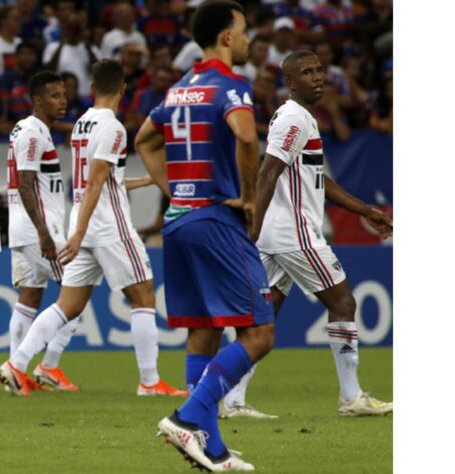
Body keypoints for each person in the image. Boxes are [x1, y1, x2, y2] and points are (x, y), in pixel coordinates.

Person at [136, 1, 274, 470]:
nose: (249, 38)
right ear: (225, 38)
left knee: (203, 332)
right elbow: (248, 136)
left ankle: (211, 447)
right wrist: (250, 197)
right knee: (259, 334)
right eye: (244, 30)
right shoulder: (230, 86)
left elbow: (143, 141)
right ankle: (188, 417)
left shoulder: (178, 89)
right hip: (217, 219)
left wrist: (173, 190)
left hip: (180, 220)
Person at [220, 51, 393, 420]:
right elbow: (268, 173)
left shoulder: (300, 119)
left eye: (319, 70)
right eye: (307, 72)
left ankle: (232, 400)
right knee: (343, 303)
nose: (318, 77)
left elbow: (318, 178)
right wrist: (251, 227)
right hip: (294, 231)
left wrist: (365, 210)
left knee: (264, 318)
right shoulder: (294, 119)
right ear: (290, 82)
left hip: (276, 232)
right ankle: (351, 397)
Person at [0, 60, 186, 398]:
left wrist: (148, 180)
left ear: (93, 88)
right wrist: (81, 232)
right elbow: (97, 181)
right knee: (143, 297)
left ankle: (18, 363)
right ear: (123, 89)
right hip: (108, 224)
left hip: (81, 223)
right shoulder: (114, 128)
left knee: (66, 305)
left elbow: (99, 178)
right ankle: (149, 381)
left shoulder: (81, 124)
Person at [2, 71, 81, 392]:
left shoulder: (30, 129)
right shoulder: (33, 135)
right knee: (77, 291)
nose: (62, 101)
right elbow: (25, 183)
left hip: (23, 229)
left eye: (63, 95)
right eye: (54, 96)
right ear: (37, 100)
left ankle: (16, 378)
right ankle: (48, 365)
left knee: (28, 300)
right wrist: (44, 233)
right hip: (39, 229)